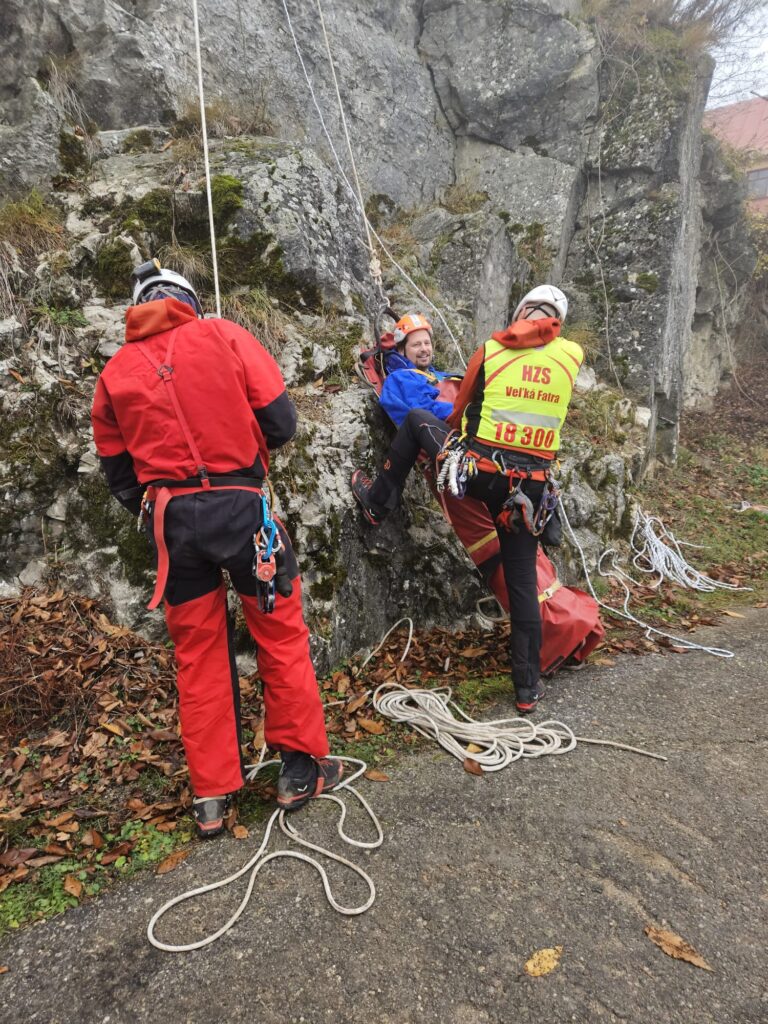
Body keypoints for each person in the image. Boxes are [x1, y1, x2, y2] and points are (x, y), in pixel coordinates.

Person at [91, 259, 342, 838]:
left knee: (198, 656)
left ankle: (212, 795)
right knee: (278, 634)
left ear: (139, 305)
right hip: (242, 510)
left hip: (174, 525)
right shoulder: (224, 333)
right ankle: (299, 768)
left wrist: (164, 507)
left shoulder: (115, 373)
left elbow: (119, 474)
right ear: (188, 299)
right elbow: (281, 422)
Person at [351, 285, 583, 714]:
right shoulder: (571, 356)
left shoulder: (492, 350)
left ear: (520, 313)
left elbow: (461, 410)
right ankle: (526, 690)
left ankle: (376, 502)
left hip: (482, 476)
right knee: (521, 583)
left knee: (420, 420)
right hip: (529, 491)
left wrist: (457, 442)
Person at [379, 314, 454, 427]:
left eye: (427, 343)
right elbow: (426, 411)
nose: (424, 349)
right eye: (416, 345)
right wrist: (465, 409)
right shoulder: (399, 378)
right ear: (401, 350)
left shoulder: (437, 375)